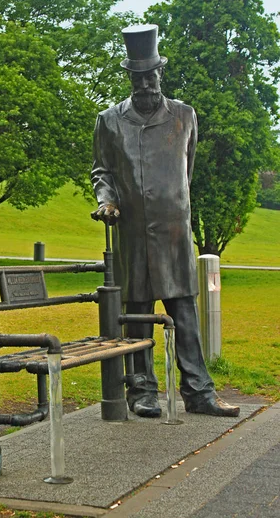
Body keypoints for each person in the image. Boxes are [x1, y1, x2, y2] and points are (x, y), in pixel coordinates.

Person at [91, 24, 240, 418]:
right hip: (133, 235)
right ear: (130, 77)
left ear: (161, 73)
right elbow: (102, 171)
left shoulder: (184, 116)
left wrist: (171, 207)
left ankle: (199, 392)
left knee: (185, 315)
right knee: (137, 316)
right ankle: (141, 391)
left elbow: (184, 172)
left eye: (150, 75)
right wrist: (107, 201)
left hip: (174, 234)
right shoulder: (109, 121)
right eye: (137, 77)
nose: (145, 83)